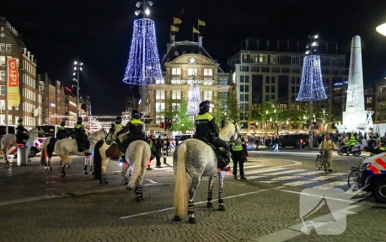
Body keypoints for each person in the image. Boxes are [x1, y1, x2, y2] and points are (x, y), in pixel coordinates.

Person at [194, 100, 230, 170]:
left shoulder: (197, 117)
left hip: (198, 138)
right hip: (208, 138)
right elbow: (215, 128)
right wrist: (216, 135)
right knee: (226, 145)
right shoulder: (209, 116)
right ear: (206, 108)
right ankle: (222, 165)